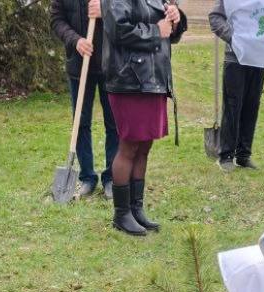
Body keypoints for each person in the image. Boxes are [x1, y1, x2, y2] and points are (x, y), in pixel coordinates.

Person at [103, 0, 188, 236]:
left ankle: (135, 208)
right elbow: (117, 29)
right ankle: (121, 214)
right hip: (128, 79)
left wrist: (175, 18)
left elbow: (170, 35)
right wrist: (155, 31)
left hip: (154, 79)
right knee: (129, 146)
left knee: (144, 146)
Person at [207, 0, 264, 173]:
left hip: (260, 58)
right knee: (232, 105)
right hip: (235, 57)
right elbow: (215, 17)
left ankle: (243, 155)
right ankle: (226, 156)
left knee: (252, 105)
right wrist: (234, 39)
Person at [51, 0, 120, 199]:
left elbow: (130, 13)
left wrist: (106, 10)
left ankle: (111, 178)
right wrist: (76, 41)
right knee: (80, 124)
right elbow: (57, 19)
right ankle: (87, 178)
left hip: (111, 64)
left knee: (114, 124)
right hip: (79, 66)